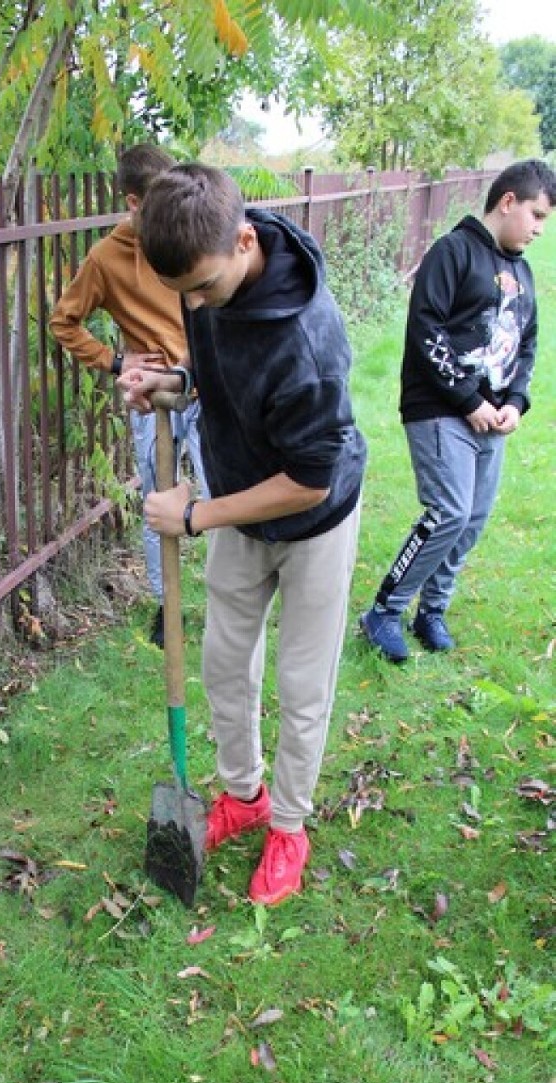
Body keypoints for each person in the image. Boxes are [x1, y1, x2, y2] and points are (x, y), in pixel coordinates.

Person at [119, 163, 366, 906]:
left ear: (247, 242)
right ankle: (244, 793)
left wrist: (195, 515)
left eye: (202, 288)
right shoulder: (207, 251)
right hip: (238, 500)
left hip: (312, 520)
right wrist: (173, 381)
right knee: (226, 662)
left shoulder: (309, 346)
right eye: (183, 291)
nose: (193, 303)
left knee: (300, 682)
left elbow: (309, 480)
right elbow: (220, 366)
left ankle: (287, 823)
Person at [360, 158, 556, 662]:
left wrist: (515, 402)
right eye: (536, 215)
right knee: (448, 511)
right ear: (508, 201)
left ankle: (433, 610)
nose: (539, 228)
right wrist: (469, 401)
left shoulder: (523, 271)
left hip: (493, 417)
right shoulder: (453, 252)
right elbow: (426, 329)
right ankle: (385, 609)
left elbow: (526, 344)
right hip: (441, 409)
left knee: (473, 518)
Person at [50, 143, 208, 649]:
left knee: (225, 490)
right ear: (134, 202)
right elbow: (63, 321)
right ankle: (169, 604)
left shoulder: (184, 238)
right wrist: (116, 362)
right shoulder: (106, 259)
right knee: (157, 502)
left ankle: (234, 595)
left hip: (205, 385)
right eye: (158, 204)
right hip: (153, 400)